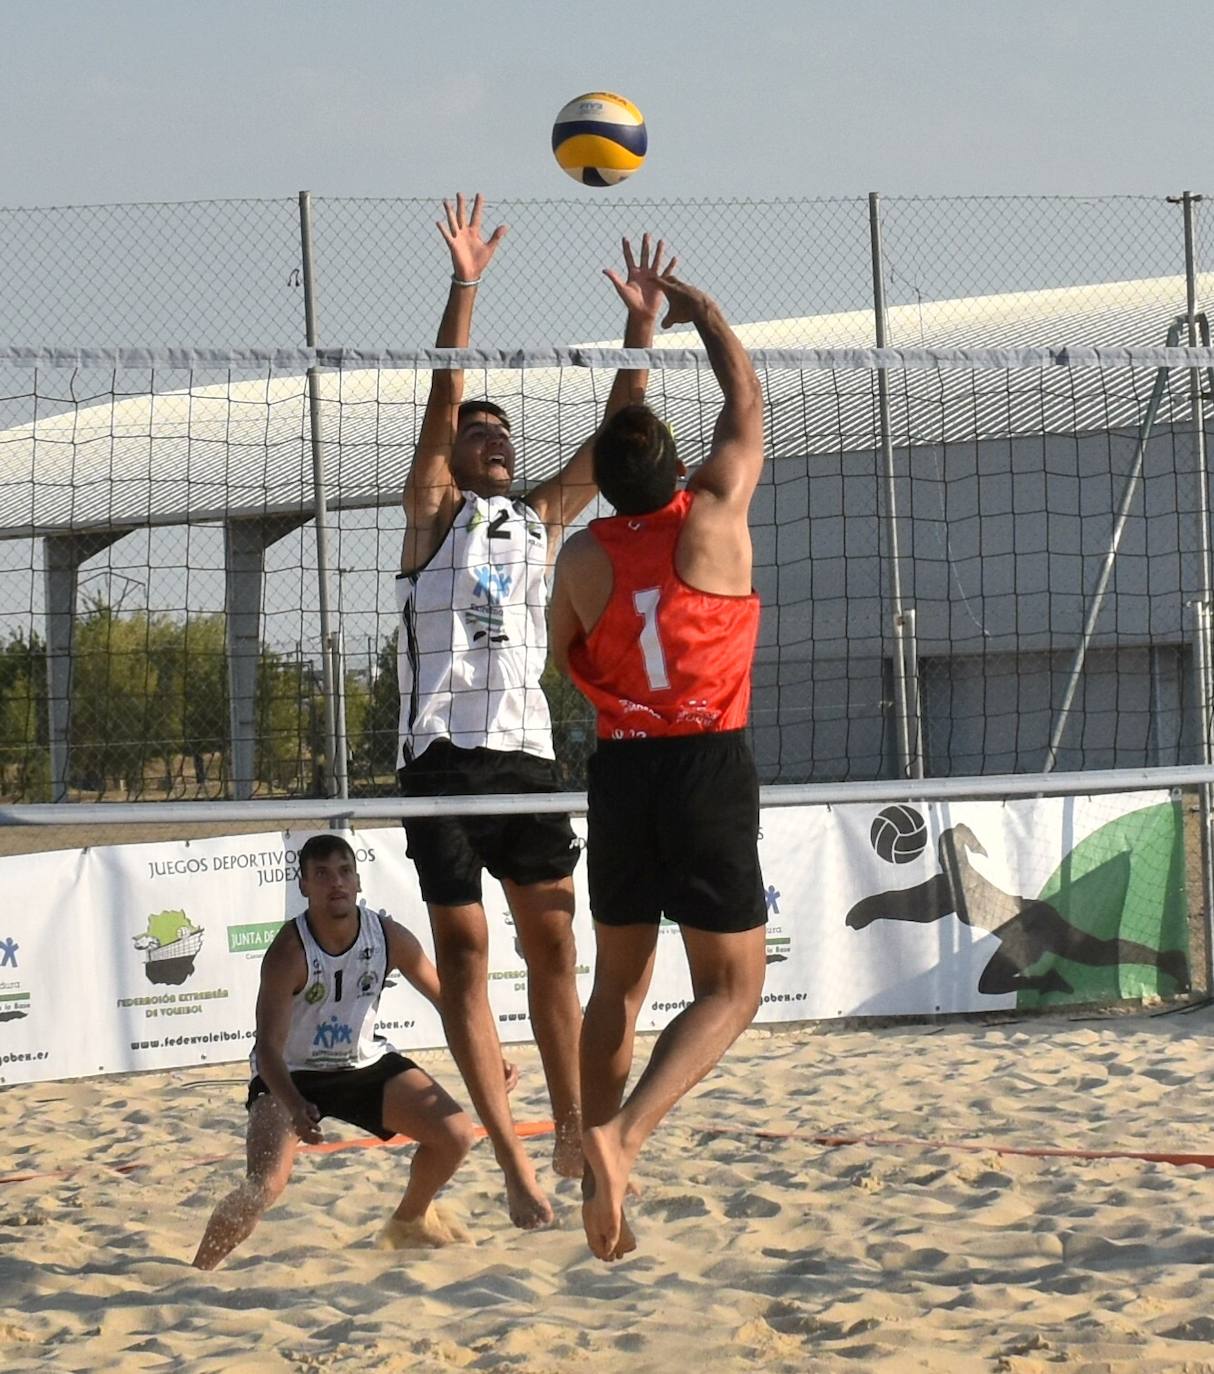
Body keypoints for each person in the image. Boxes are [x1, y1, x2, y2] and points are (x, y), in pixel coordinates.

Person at [397, 193, 673, 1229]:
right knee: (464, 955)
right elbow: (441, 396)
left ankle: (566, 1121)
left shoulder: (539, 520)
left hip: (522, 757)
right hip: (439, 763)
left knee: (552, 944)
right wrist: (466, 283)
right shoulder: (431, 514)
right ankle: (510, 1157)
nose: (495, 440)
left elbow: (618, 443)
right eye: (481, 435)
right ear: (455, 456)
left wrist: (639, 329)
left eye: (504, 434)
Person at [548, 270, 768, 1262]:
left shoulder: (581, 557)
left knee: (617, 988)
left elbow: (563, 649)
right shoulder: (714, 515)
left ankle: (594, 1162)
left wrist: (633, 339)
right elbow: (744, 401)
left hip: (622, 771)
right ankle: (622, 1138)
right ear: (677, 469)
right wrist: (699, 312)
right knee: (730, 989)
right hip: (703, 767)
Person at [192, 833, 505, 1269]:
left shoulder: (388, 935)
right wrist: (295, 1104)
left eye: (344, 872)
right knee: (263, 1185)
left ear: (358, 880)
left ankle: (409, 1221)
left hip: (362, 1064)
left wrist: (491, 1054)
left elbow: (450, 1001)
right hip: (293, 1073)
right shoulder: (288, 951)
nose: (335, 883)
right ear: (303, 886)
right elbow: (267, 1050)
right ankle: (198, 1271)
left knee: (456, 1135)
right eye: (321, 875)